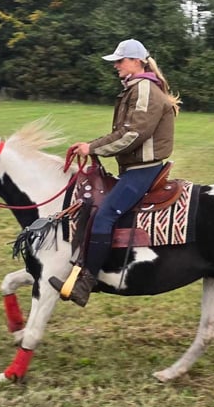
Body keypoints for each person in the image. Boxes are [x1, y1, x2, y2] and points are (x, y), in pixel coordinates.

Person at [49, 39, 179, 306]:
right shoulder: (136, 88)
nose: (116, 66)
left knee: (105, 215)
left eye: (120, 61)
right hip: (134, 168)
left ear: (136, 61)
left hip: (142, 170)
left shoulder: (144, 89)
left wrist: (92, 147)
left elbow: (133, 133)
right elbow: (124, 132)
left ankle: (86, 284)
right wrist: (92, 147)